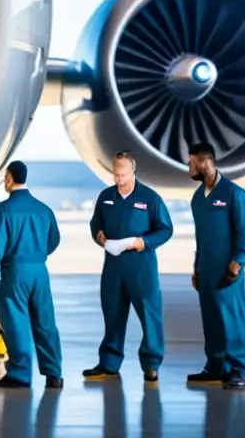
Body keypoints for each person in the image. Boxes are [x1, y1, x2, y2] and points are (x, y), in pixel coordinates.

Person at [83, 151, 174, 383]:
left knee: (149, 315)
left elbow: (165, 229)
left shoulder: (150, 198)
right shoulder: (105, 197)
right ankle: (109, 363)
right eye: (115, 174)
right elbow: (96, 224)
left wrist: (145, 242)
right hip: (113, 266)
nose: (118, 179)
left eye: (122, 174)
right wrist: (100, 237)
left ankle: (151, 364)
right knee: (112, 314)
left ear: (133, 171)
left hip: (141, 266)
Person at [0, 160, 64, 390]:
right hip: (40, 271)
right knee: (45, 322)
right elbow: (55, 239)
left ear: (9, 178)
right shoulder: (43, 209)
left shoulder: (5, 209)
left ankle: (20, 375)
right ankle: (54, 374)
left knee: (16, 321)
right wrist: (38, 254)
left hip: (15, 271)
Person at [187, 141, 245, 389]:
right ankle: (216, 367)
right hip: (205, 269)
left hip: (228, 270)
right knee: (212, 319)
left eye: (192, 163)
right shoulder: (197, 198)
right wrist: (196, 267)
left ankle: (242, 370)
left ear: (206, 163)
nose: (189, 168)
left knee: (234, 318)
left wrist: (238, 262)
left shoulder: (234, 194)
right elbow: (200, 237)